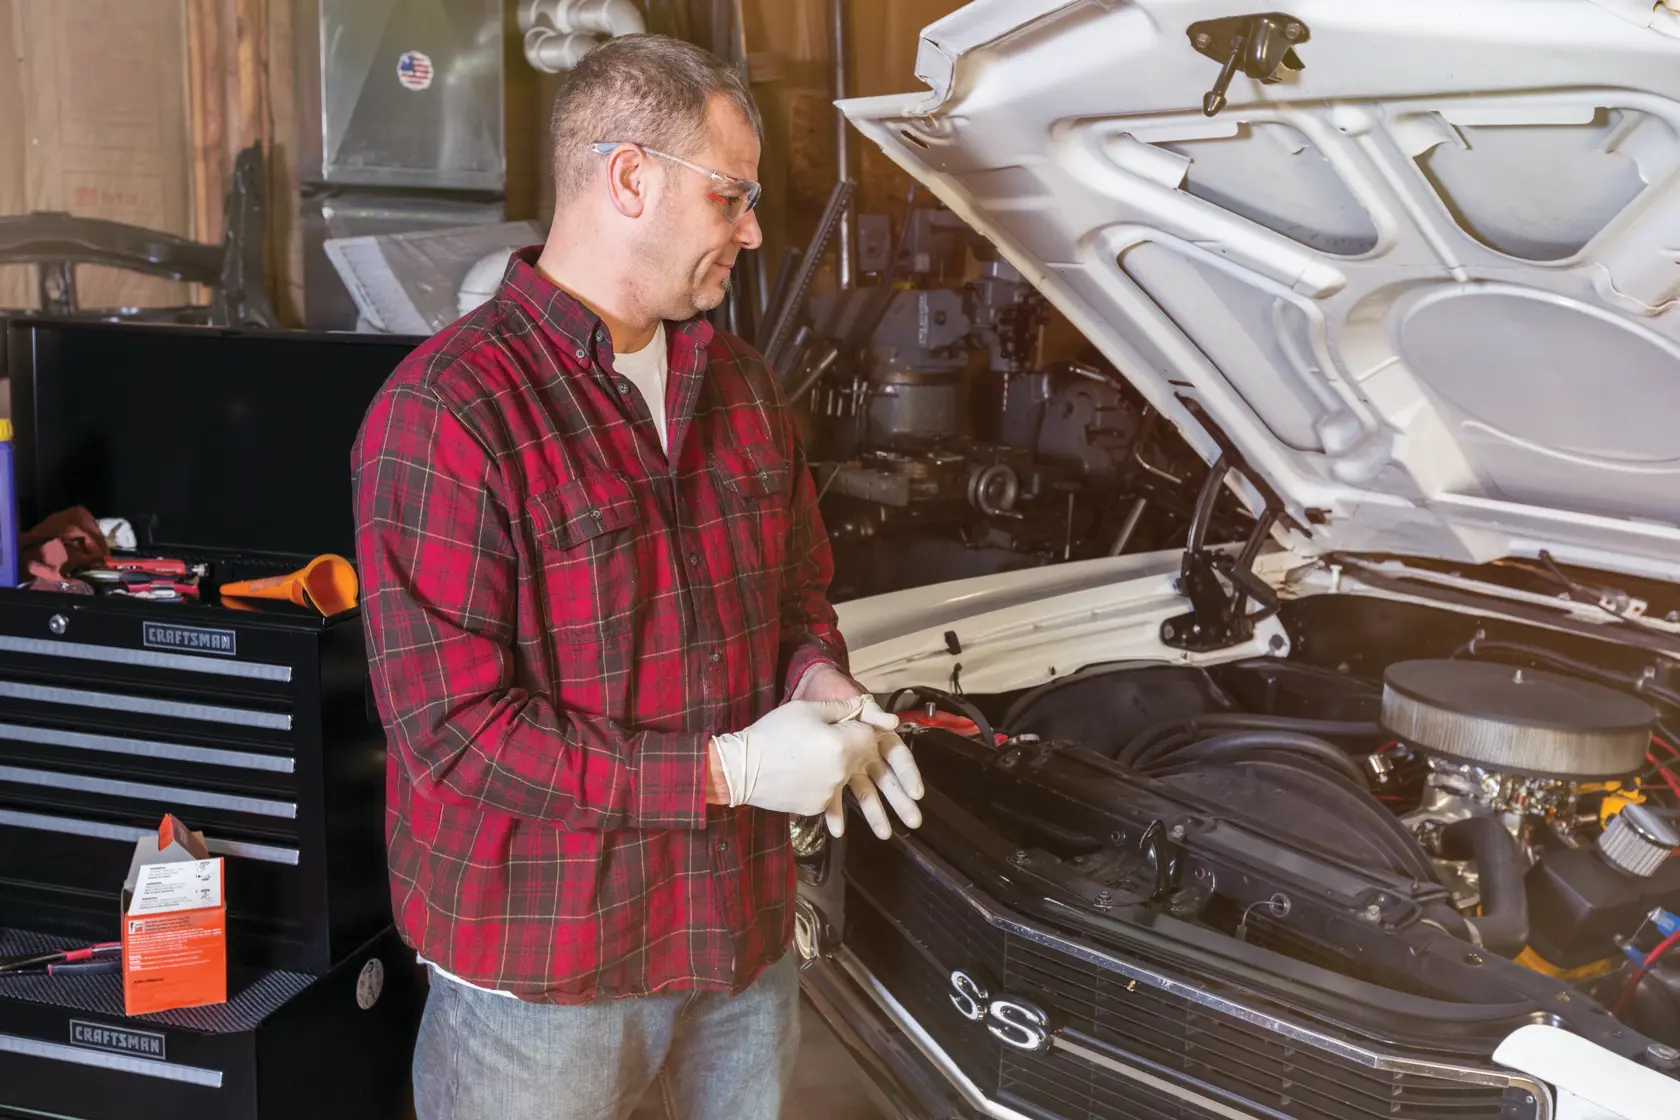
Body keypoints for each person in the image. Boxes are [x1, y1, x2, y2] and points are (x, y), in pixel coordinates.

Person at [350, 32, 924, 1120]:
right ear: (629, 178)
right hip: (542, 986)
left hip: (736, 949)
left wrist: (818, 684)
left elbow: (797, 595)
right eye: (732, 198)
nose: (753, 231)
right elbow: (455, 730)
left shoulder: (744, 387)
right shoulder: (448, 413)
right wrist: (732, 773)